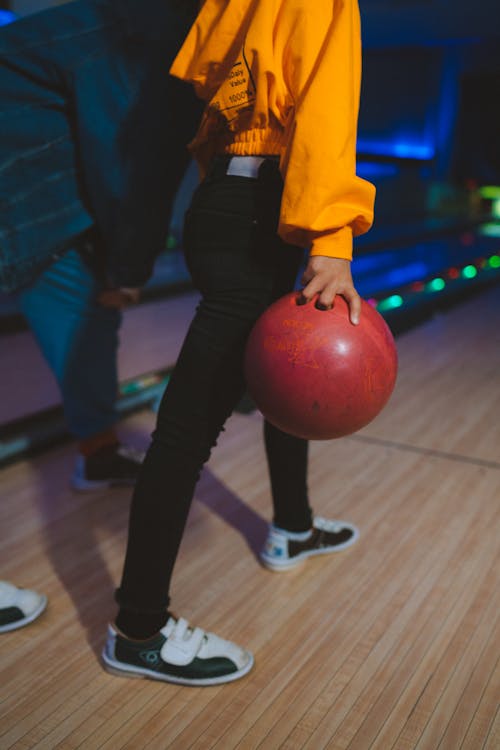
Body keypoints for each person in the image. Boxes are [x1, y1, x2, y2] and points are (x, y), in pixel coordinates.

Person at [102, 0, 375, 686]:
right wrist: (331, 239)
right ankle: (138, 629)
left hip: (223, 201)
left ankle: (294, 525)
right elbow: (323, 107)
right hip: (265, 213)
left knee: (288, 371)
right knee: (188, 429)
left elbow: (206, 109)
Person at [0, 0, 200, 490]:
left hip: (40, 192)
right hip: (22, 192)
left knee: (91, 311)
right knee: (96, 297)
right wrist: (132, 269)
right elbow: (132, 171)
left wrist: (124, 266)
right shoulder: (153, 40)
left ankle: (98, 454)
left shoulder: (145, 22)